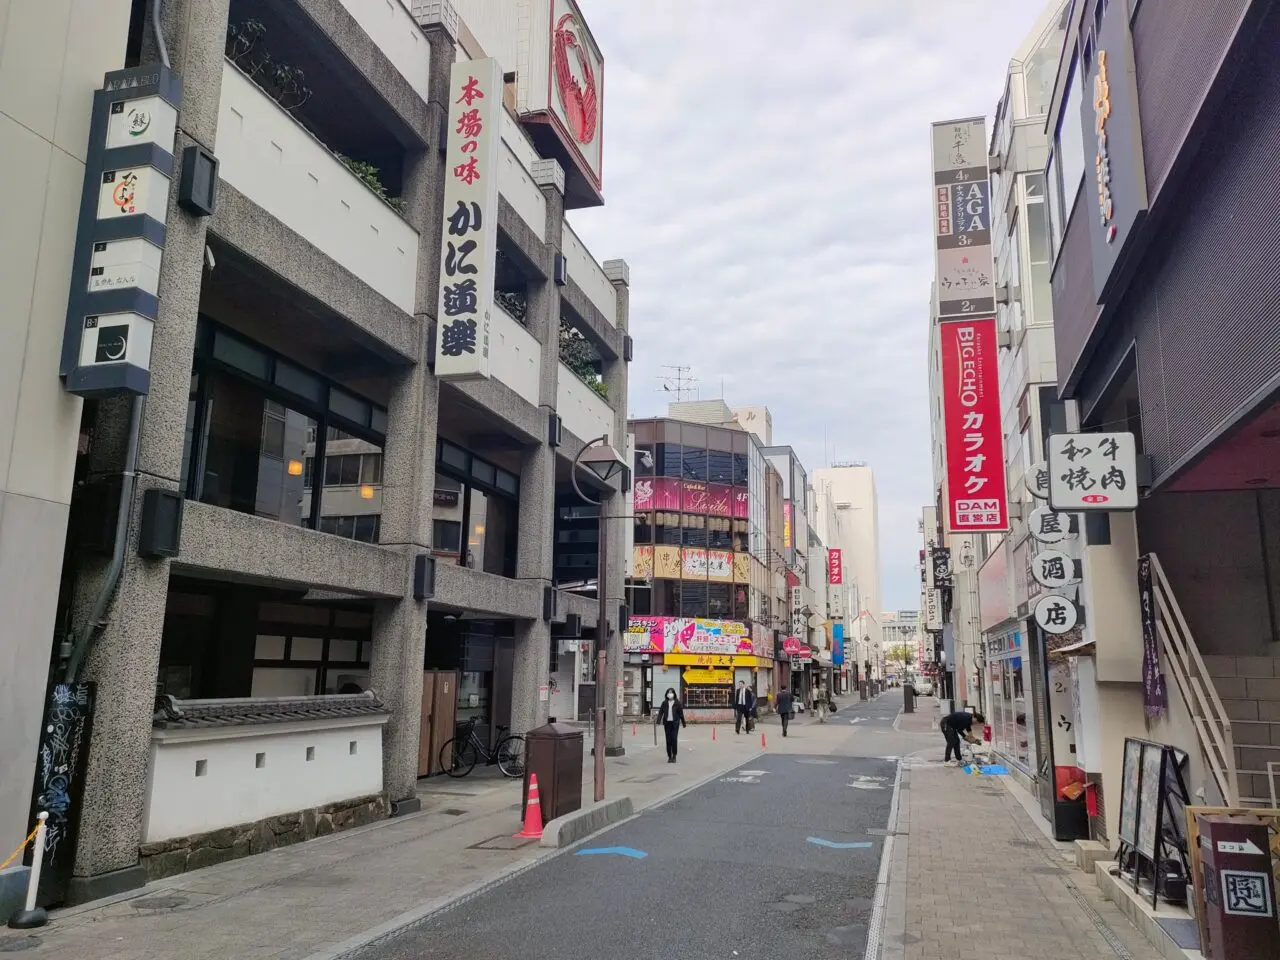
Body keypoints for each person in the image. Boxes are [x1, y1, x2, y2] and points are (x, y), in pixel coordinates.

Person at [655, 687, 687, 762]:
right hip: (667, 724)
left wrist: (683, 723)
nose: (670, 694)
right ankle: (669, 756)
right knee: (668, 740)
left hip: (675, 724)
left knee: (674, 739)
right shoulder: (664, 703)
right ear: (666, 694)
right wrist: (658, 721)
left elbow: (681, 714)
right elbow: (660, 712)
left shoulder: (677, 703)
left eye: (671, 692)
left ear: (674, 694)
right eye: (668, 693)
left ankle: (674, 755)